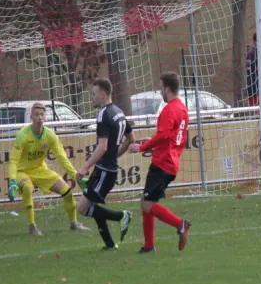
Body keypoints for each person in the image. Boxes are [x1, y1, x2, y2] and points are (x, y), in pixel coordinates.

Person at [128, 72, 191, 253]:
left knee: (146, 204)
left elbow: (164, 135)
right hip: (170, 161)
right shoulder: (182, 108)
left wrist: (142, 147)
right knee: (146, 201)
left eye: (161, 88)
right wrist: (153, 144)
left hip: (163, 164)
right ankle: (149, 246)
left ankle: (180, 224)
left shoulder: (169, 109)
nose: (160, 92)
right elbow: (172, 138)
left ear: (168, 89)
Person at [7, 102, 89, 235]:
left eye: (42, 114)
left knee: (67, 191)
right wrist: (12, 181)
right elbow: (13, 160)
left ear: (45, 117)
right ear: (31, 117)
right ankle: (32, 226)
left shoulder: (50, 136)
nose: (39, 117)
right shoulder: (23, 135)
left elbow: (62, 158)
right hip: (22, 172)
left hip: (40, 170)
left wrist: (76, 176)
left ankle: (74, 223)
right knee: (28, 188)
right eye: (36, 114)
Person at [75, 78, 136, 250]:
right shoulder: (119, 112)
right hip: (107, 170)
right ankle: (109, 244)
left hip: (104, 170)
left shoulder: (103, 114)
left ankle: (122, 216)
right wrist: (115, 155)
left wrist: (84, 168)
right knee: (92, 205)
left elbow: (102, 147)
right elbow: (131, 139)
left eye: (93, 94)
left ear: (102, 95)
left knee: (82, 207)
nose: (92, 98)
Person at [246, 33, 259, 107]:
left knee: (254, 112)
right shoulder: (257, 54)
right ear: (255, 42)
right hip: (258, 90)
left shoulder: (249, 54)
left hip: (251, 89)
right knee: (259, 113)